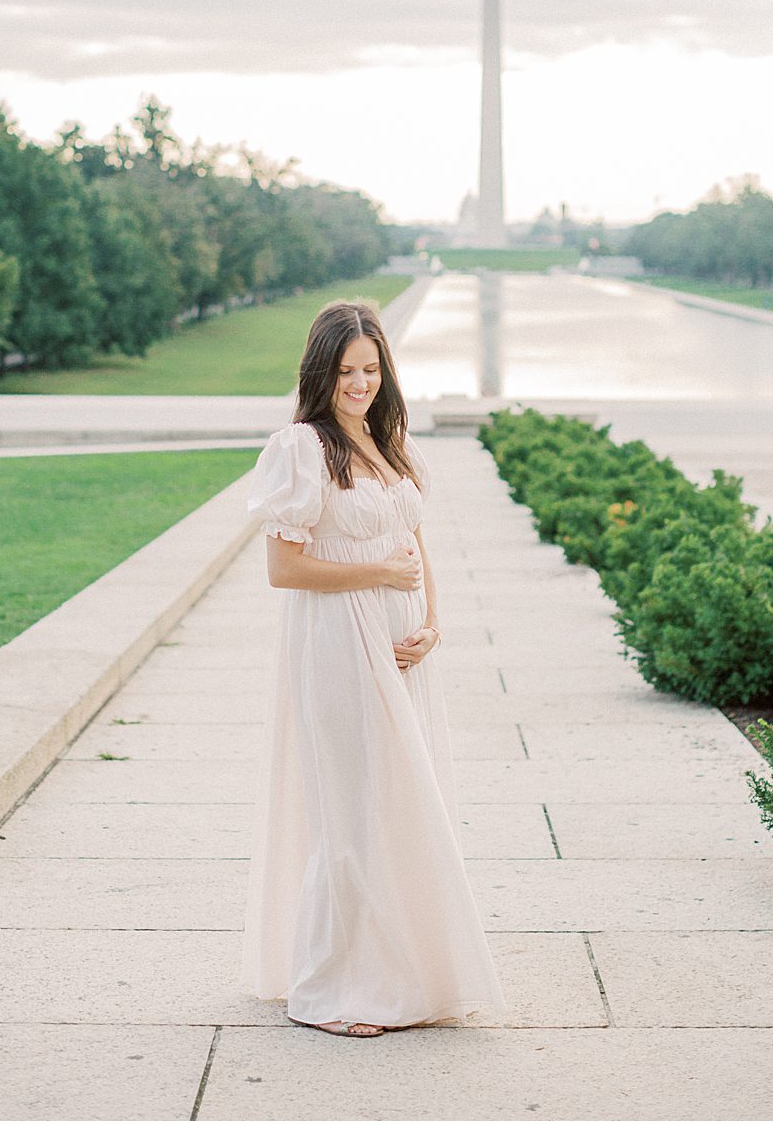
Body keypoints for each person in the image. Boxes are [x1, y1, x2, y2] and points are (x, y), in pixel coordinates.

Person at [239, 297, 507, 1038]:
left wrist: (431, 623)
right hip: (337, 648)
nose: (359, 383)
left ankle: (402, 974)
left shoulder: (390, 442)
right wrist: (376, 580)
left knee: (401, 805)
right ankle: (332, 991)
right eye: (345, 370)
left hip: (402, 652)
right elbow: (283, 570)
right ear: (319, 372)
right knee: (351, 814)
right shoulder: (301, 448)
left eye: (370, 367)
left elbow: (414, 547)